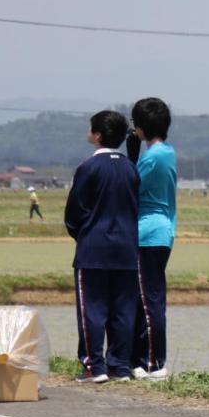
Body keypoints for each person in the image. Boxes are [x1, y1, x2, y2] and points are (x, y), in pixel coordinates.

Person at [64, 111, 141, 384]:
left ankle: (93, 366)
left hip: (93, 248)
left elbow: (74, 213)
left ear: (97, 135)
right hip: (127, 248)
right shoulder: (131, 168)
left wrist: (83, 235)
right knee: (122, 309)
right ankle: (119, 366)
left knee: (92, 310)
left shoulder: (88, 167)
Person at [126, 97, 177, 381]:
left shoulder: (153, 156)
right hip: (160, 230)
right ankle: (142, 359)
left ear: (141, 127)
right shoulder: (167, 151)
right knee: (145, 297)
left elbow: (129, 185)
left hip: (148, 232)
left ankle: (154, 363)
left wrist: (130, 157)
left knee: (148, 299)